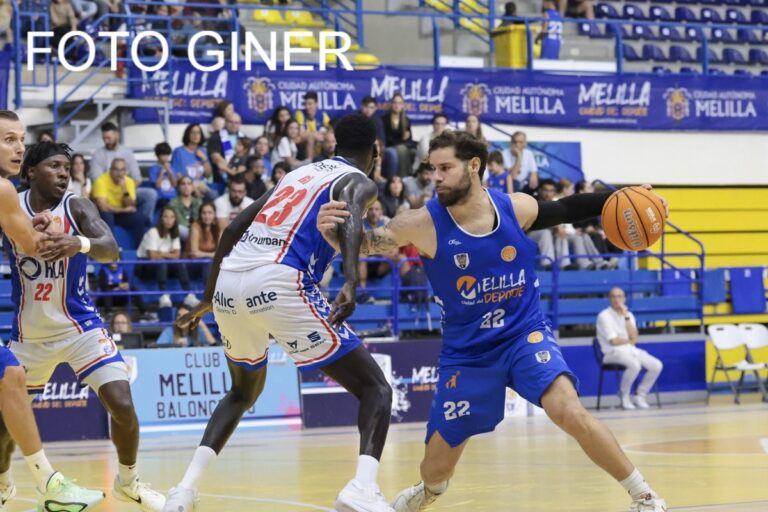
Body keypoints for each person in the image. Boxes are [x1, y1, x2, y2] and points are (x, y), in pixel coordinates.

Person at [316, 131, 669, 512]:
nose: (436, 176)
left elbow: (567, 208)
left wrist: (627, 196)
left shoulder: (515, 208)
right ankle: (428, 491)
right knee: (435, 470)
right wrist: (331, 231)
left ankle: (645, 496)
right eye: (433, 168)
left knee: (569, 411)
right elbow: (365, 243)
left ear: (474, 166)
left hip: (524, 335)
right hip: (468, 354)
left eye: (445, 168)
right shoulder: (421, 224)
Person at [162, 113, 395, 512]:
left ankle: (183, 491)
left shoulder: (296, 175)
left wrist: (208, 297)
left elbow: (232, 229)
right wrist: (351, 281)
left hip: (231, 283)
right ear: (376, 151)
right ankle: (363, 487)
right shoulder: (359, 180)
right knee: (377, 388)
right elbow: (351, 215)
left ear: (334, 144)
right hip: (279, 279)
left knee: (242, 392)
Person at [2, 139, 165, 511]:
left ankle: (129, 482)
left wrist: (79, 243)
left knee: (122, 403)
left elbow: (111, 249)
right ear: (31, 171)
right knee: (3, 426)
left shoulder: (76, 205)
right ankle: (4, 484)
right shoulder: (11, 204)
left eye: (67, 167)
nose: (64, 174)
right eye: (55, 166)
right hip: (29, 336)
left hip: (81, 328)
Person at [0, 111, 106, 511]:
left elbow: (25, 237)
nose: (18, 148)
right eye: (8, 140)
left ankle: (47, 483)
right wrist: (67, 238)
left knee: (11, 377)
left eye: (20, 139)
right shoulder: (4, 191)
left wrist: (35, 224)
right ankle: (47, 484)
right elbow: (33, 246)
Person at [596, 288, 664, 410]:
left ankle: (640, 395)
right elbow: (614, 341)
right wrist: (630, 341)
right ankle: (624, 395)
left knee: (656, 365)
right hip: (611, 352)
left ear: (624, 298)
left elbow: (634, 337)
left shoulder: (629, 315)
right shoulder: (604, 316)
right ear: (609, 299)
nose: (617, 299)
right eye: (613, 296)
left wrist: (626, 317)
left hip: (630, 351)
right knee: (635, 365)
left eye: (619, 296)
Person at [89, 122, 158, 222]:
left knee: (150, 194)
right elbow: (96, 179)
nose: (106, 141)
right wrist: (114, 188)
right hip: (105, 192)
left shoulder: (127, 153)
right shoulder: (98, 154)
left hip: (126, 189)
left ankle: (145, 222)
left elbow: (137, 178)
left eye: (109, 138)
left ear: (117, 135)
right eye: (104, 138)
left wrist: (125, 189)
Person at [136, 207, 198, 309]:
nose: (169, 220)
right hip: (144, 266)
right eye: (166, 217)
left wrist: (161, 253)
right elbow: (152, 256)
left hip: (163, 265)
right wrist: (168, 254)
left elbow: (177, 255)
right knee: (161, 263)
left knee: (179, 264)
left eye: (172, 217)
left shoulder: (174, 233)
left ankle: (188, 295)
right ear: (161, 219)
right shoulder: (153, 232)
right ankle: (163, 295)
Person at [92, 157, 149, 247]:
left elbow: (131, 205)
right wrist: (124, 210)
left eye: (122, 170)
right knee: (107, 216)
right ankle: (108, 248)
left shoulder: (128, 181)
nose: (119, 173)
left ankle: (139, 250)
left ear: (125, 171)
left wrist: (124, 189)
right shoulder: (100, 181)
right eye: (116, 170)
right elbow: (103, 207)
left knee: (139, 218)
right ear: (111, 170)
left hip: (120, 214)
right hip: (105, 213)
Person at [171, 123, 215, 201]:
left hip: (201, 185)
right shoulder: (178, 152)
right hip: (185, 185)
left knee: (213, 195)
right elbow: (177, 175)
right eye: (192, 132)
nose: (195, 135)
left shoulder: (203, 151)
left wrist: (204, 159)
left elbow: (208, 174)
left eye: (198, 133)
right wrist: (191, 186)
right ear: (187, 134)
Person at [382, 92, 414, 178]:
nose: (397, 105)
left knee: (412, 151)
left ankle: (411, 175)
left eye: (400, 103)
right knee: (402, 149)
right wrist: (402, 139)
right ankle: (404, 176)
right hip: (389, 146)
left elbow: (409, 139)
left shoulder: (406, 120)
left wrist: (406, 138)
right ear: (391, 104)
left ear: (403, 105)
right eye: (395, 102)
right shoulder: (384, 119)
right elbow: (386, 139)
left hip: (402, 145)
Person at [167, 175, 203, 242]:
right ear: (179, 187)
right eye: (183, 184)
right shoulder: (173, 203)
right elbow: (180, 221)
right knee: (179, 228)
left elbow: (199, 220)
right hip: (182, 231)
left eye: (189, 184)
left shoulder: (198, 202)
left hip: (197, 231)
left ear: (192, 187)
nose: (186, 186)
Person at [149, 142, 178, 206]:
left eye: (167, 155)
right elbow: (157, 185)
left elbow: (175, 184)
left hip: (173, 197)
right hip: (160, 198)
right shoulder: (153, 168)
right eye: (163, 155)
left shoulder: (172, 167)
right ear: (158, 156)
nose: (165, 157)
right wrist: (161, 172)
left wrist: (170, 172)